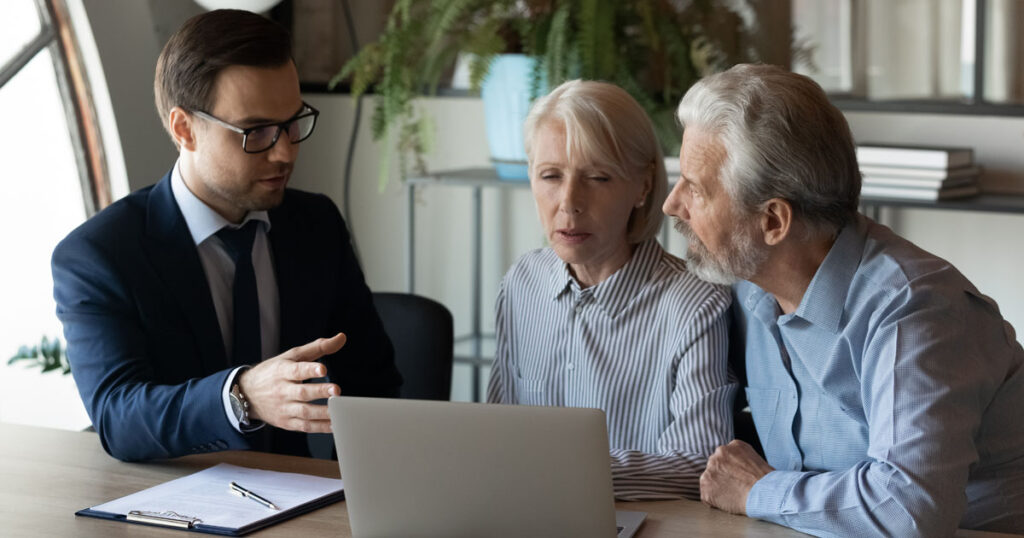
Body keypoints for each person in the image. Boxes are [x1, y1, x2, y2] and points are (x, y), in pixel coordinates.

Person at [663, 63, 1024, 535]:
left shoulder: (915, 310)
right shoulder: (750, 285)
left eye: (696, 189)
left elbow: (909, 509)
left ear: (773, 221)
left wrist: (759, 491)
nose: (672, 204)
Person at [52, 9, 401, 462]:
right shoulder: (100, 255)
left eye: (293, 122)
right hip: (168, 513)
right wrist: (241, 395)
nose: (284, 151)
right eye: (256, 131)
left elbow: (372, 383)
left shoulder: (316, 225)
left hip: (300, 506)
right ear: (184, 130)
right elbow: (119, 417)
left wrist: (353, 491)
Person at [487, 79, 736, 501]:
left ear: (642, 186)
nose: (568, 202)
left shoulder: (695, 305)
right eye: (550, 175)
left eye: (598, 177)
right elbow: (494, 437)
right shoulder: (521, 284)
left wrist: (562, 474)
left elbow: (701, 463)